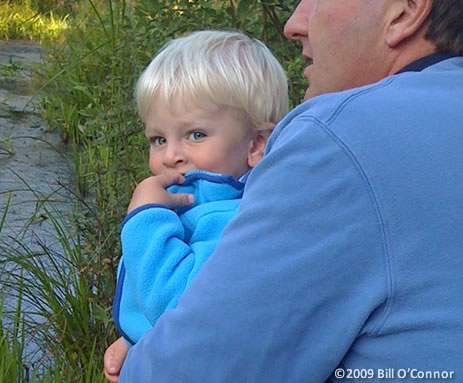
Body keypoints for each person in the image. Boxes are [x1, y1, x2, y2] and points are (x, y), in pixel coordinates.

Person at [105, 0, 463, 381]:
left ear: (406, 10)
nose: (294, 23)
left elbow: (187, 370)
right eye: (157, 139)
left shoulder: (339, 136)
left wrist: (142, 352)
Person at [112, 30, 289, 348]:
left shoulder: (236, 220)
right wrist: (132, 339)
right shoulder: (195, 206)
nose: (170, 156)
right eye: (159, 139)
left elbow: (177, 309)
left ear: (256, 144)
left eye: (195, 134)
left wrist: (143, 218)